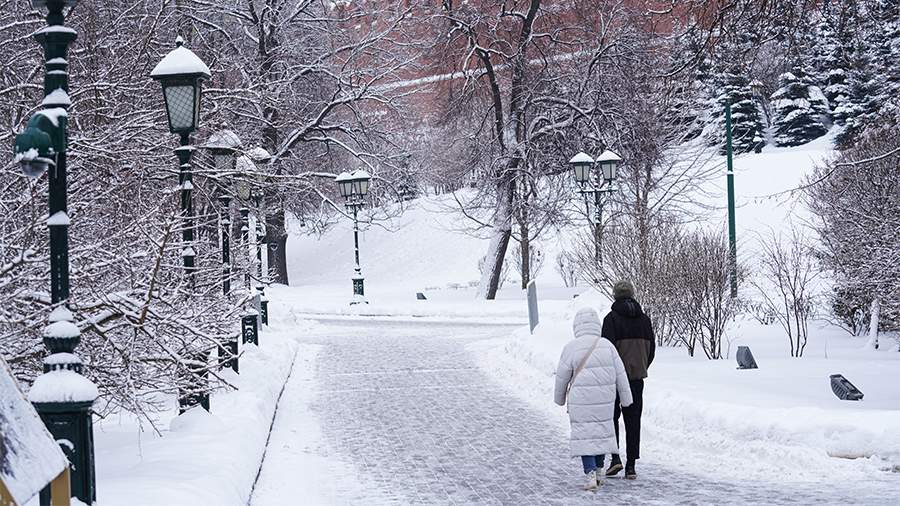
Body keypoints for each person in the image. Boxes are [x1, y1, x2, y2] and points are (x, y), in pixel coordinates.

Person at [554, 307, 633, 491]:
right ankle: (599, 470)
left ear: (577, 326)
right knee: (601, 433)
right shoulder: (607, 345)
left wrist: (559, 398)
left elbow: (562, 376)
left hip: (580, 401)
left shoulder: (571, 347)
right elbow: (621, 374)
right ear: (596, 325)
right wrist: (626, 398)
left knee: (585, 436)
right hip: (605, 400)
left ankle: (590, 473)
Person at [601, 280, 655, 480]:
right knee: (633, 420)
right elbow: (652, 350)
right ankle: (631, 465)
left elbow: (605, 351)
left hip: (615, 379)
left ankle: (615, 459)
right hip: (636, 378)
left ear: (615, 296)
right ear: (632, 295)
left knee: (611, 418)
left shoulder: (611, 319)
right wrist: (641, 367)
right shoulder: (645, 320)